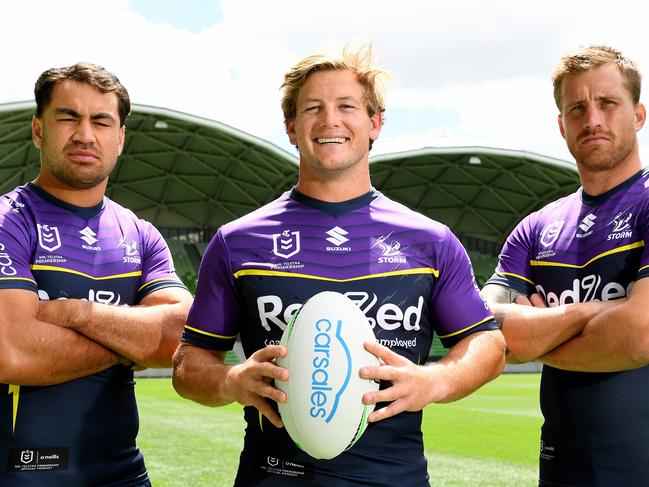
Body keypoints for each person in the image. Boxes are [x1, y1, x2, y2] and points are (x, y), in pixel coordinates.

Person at [172, 45, 505, 486]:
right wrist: (232, 380)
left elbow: (488, 345)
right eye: (313, 108)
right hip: (273, 476)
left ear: (374, 123)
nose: (330, 120)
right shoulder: (238, 241)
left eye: (346, 106)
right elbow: (187, 364)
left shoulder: (431, 240)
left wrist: (435, 381)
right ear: (291, 127)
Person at [0, 63, 193, 486]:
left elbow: (180, 336)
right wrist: (133, 342)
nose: (85, 134)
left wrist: (77, 315)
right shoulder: (9, 221)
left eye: (101, 121)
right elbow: (11, 350)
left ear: (120, 138)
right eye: (68, 117)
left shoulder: (141, 235)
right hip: (24, 475)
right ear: (38, 130)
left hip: (124, 473)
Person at [481, 45, 649, 486]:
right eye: (577, 107)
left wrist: (535, 334)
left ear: (638, 115)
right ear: (561, 125)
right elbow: (483, 330)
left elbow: (640, 333)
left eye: (608, 103)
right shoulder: (536, 228)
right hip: (561, 468)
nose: (592, 118)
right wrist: (590, 312)